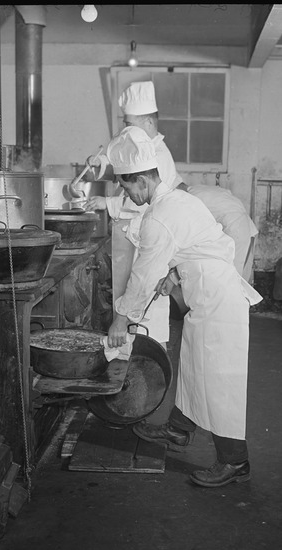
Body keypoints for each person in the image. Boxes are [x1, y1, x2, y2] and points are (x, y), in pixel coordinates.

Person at [104, 125, 263, 488]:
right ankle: (178, 430)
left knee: (220, 380)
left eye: (126, 185)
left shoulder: (160, 217)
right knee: (194, 368)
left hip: (218, 301)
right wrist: (175, 274)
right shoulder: (176, 201)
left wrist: (119, 321)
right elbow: (205, 244)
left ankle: (234, 462)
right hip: (205, 294)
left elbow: (141, 278)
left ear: (142, 179)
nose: (126, 193)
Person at [85, 81, 186, 347]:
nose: (126, 130)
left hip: (146, 244)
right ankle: (135, 355)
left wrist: (107, 203)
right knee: (133, 310)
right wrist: (100, 165)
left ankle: (144, 359)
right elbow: (125, 172)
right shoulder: (142, 149)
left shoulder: (159, 156)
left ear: (149, 122)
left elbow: (141, 203)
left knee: (144, 315)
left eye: (131, 124)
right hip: (135, 243)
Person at [186, 184, 259, 283]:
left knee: (233, 277)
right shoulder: (197, 188)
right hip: (246, 224)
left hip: (235, 228)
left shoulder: (187, 199)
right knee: (242, 275)